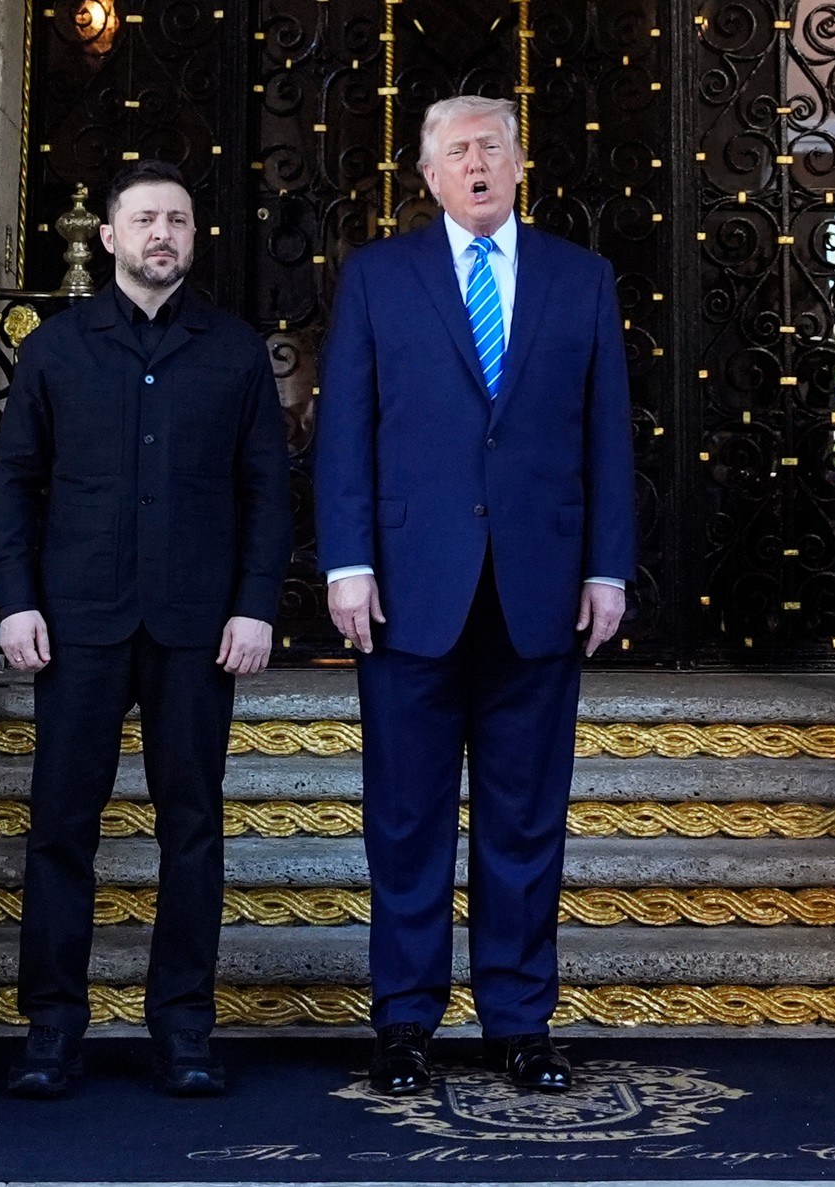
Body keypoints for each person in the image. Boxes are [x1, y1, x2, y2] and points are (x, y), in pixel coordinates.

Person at [314, 96, 636, 1097]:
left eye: (490, 147)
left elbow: (606, 436)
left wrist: (606, 567)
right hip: (409, 592)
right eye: (456, 151)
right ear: (427, 175)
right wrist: (345, 563)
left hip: (538, 591)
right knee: (405, 821)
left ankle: (518, 1022)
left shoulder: (579, 279)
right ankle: (404, 1022)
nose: (476, 164)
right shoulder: (377, 277)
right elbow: (346, 433)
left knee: (524, 821)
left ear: (518, 163)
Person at [0, 160, 292, 1100]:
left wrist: (255, 603)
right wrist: (17, 599)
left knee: (191, 826)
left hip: (200, 626)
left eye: (180, 220)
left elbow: (267, 491)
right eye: (146, 219)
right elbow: (14, 486)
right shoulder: (56, 349)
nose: (164, 233)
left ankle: (184, 1027)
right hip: (75, 621)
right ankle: (53, 1028)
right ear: (108, 237)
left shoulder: (234, 350)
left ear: (196, 239)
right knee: (60, 829)